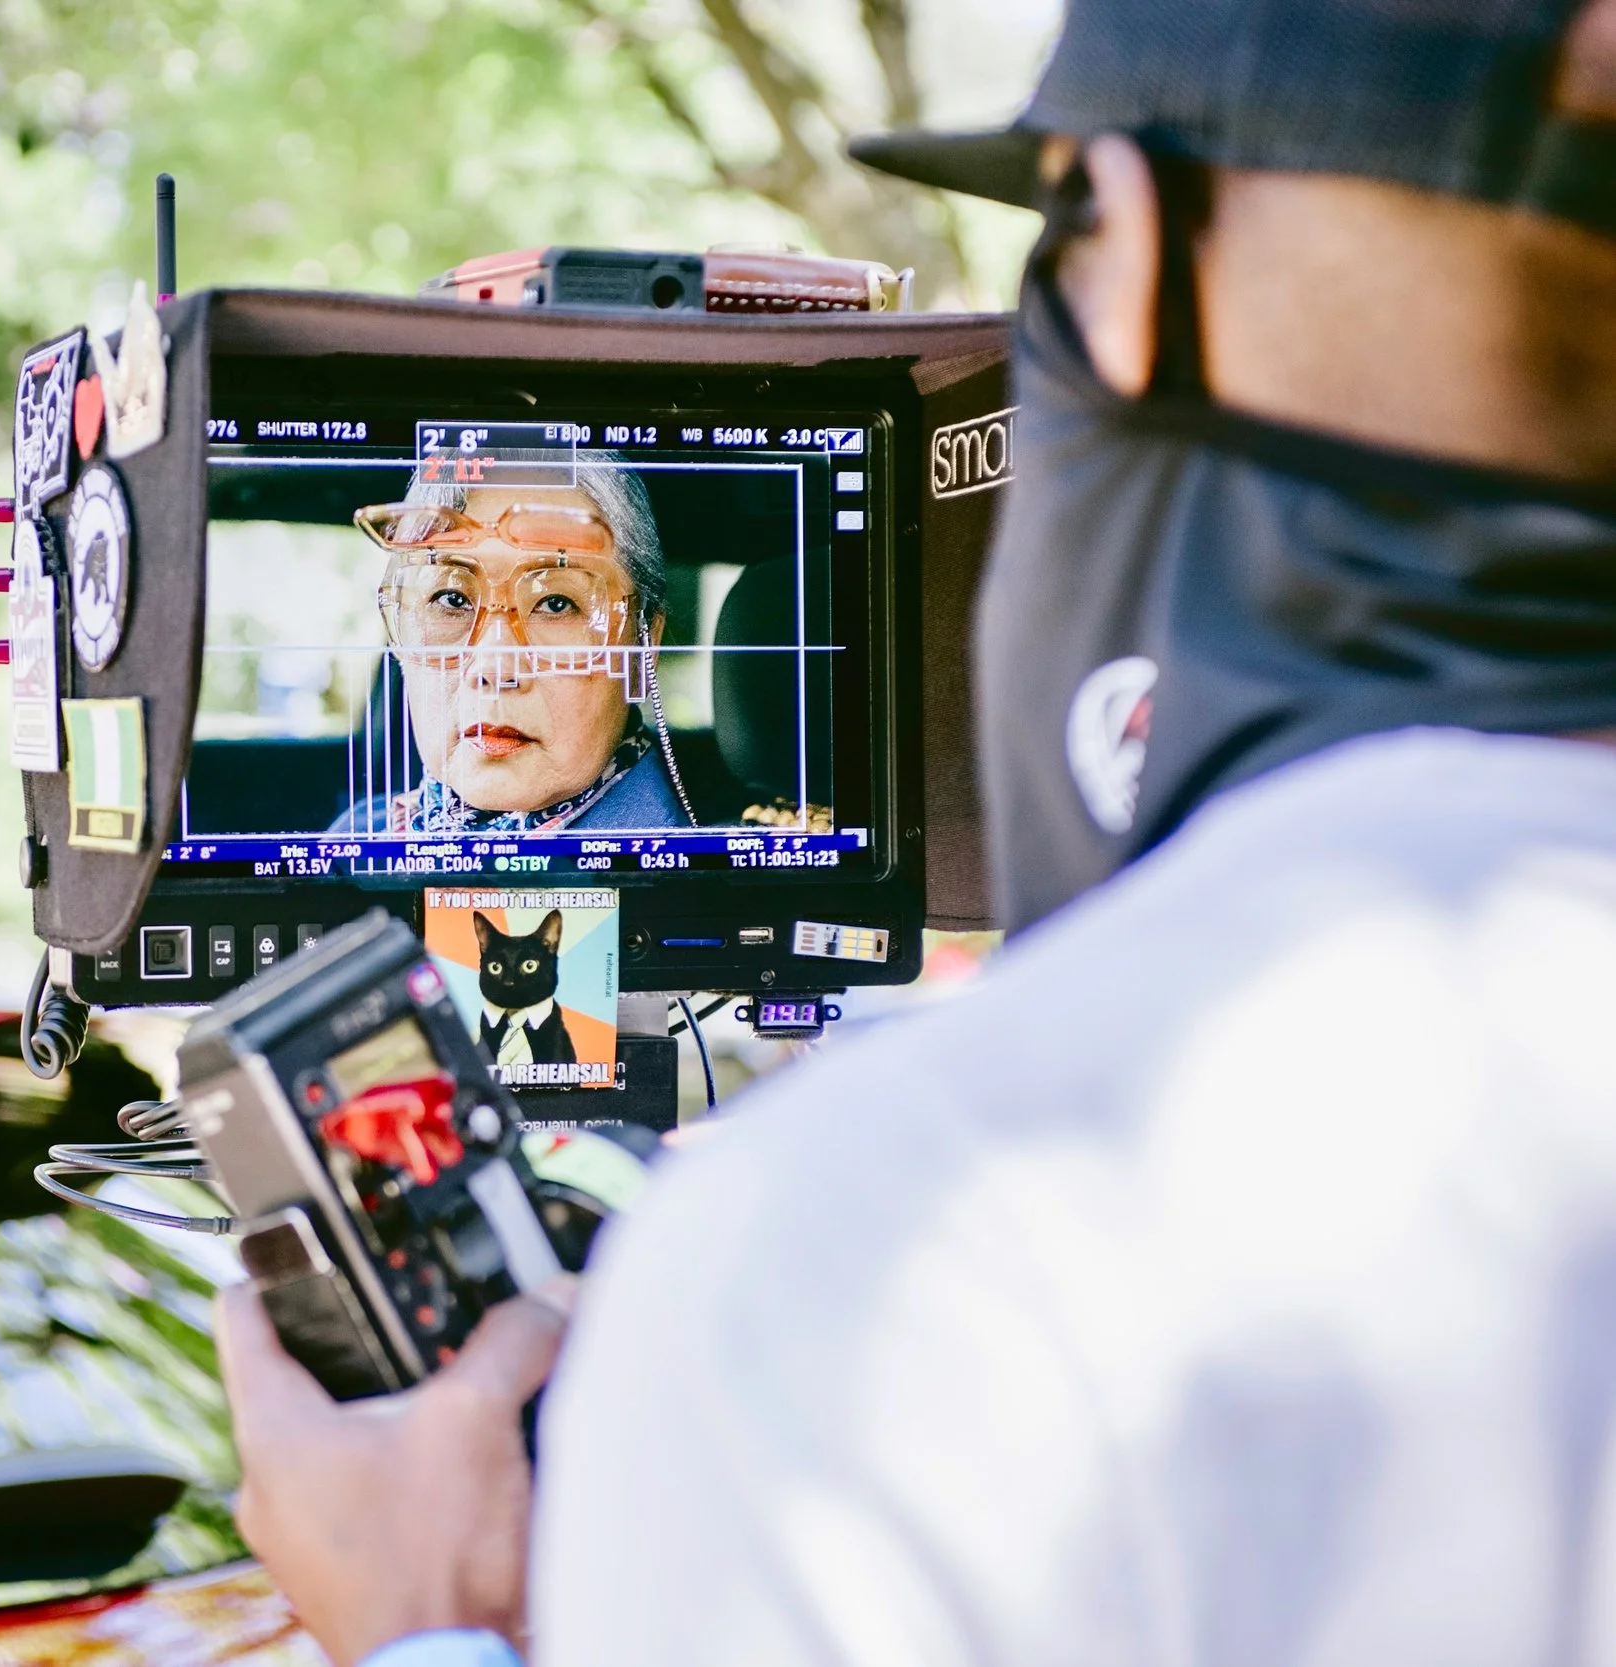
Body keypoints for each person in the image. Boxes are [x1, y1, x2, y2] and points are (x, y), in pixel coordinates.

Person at [221, 0, 1616, 1662]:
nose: (496, 655)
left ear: (1124, 244)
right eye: (448, 597)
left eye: (557, 600)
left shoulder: (907, 1245)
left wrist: (425, 1624)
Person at [329, 453, 689, 835]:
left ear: (644, 644)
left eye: (556, 604)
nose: (494, 669)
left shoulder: (694, 867)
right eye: (452, 599)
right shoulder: (357, 836)